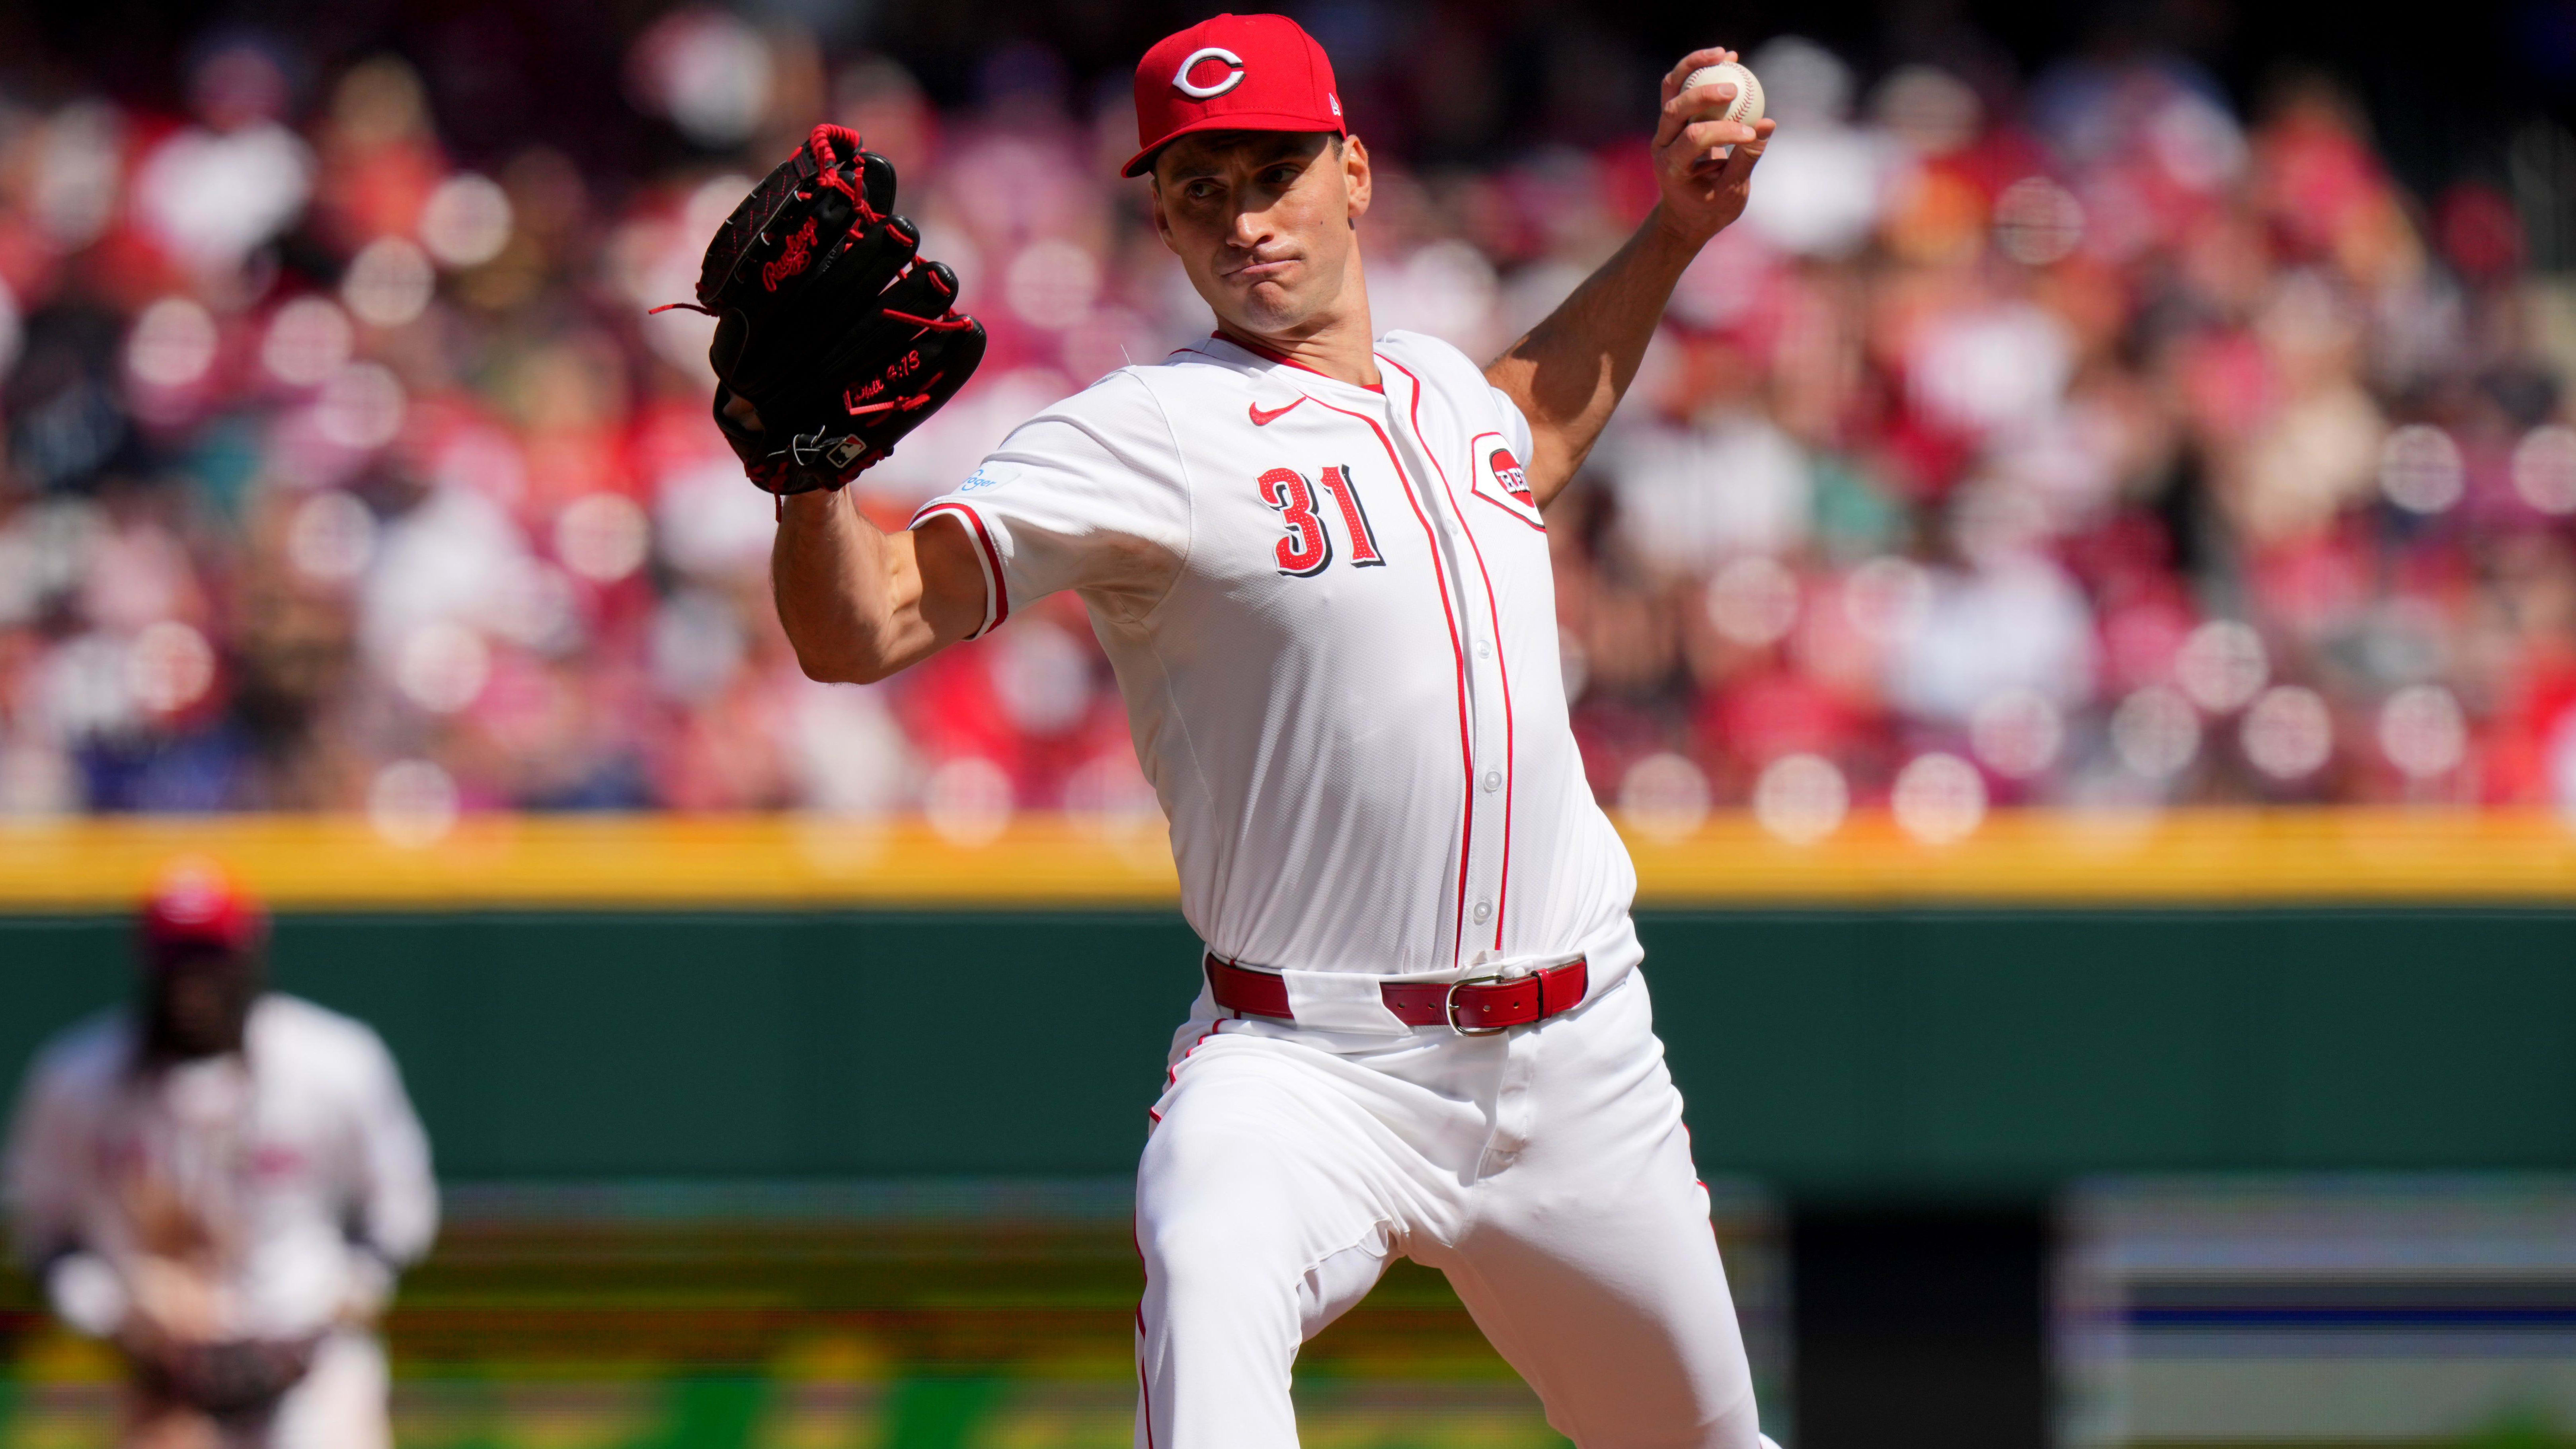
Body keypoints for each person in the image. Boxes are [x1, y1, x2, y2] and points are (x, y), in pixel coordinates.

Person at [763, 14, 1777, 1445]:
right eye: (1201, 189)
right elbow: (855, 630)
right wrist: (813, 480)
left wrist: (1674, 231)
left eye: (1274, 170)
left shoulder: (1443, 394)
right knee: (1202, 1260)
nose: (1243, 216)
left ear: (1353, 173)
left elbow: (1535, 418)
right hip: (1311, 1064)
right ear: (1165, 224)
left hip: (1578, 1055)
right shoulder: (1148, 434)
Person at [3, 858, 437, 1449]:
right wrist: (111, 1317)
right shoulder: (77, 1079)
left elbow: (399, 1211)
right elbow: (42, 1230)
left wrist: (329, 1312)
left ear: (249, 955)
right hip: (151, 1365)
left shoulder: (335, 1062)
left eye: (210, 954)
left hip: (307, 1358)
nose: (194, 980)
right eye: (179, 956)